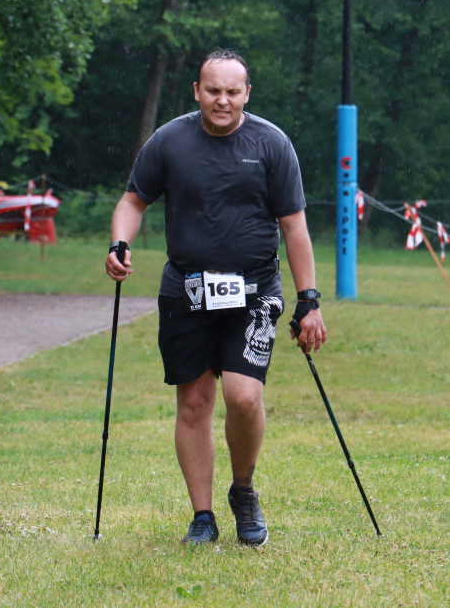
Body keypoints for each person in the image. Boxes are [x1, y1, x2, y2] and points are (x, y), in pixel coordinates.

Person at [105, 49, 327, 547]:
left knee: (243, 397)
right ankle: (202, 515)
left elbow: (294, 226)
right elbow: (132, 200)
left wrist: (308, 299)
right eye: (212, 91)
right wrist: (120, 244)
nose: (221, 101)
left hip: (254, 291)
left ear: (247, 93)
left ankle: (243, 489)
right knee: (194, 403)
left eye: (232, 92)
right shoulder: (169, 141)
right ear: (197, 92)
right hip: (186, 289)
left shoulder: (272, 144)